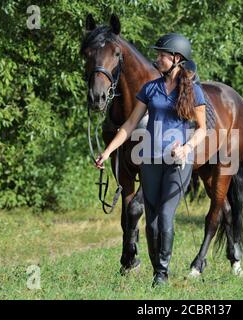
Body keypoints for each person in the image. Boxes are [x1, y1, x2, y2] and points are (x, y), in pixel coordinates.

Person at [95, 33, 207, 287]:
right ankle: (157, 268)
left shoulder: (192, 90)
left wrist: (187, 147)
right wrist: (109, 151)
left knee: (166, 216)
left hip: (178, 163)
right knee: (152, 221)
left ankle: (162, 275)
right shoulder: (150, 89)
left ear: (177, 59)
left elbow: (201, 129)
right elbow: (131, 123)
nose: (157, 59)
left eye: (162, 55)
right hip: (150, 161)